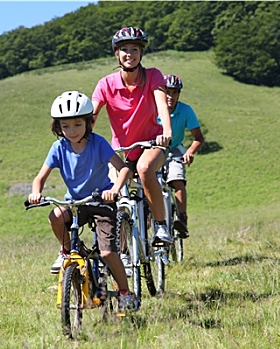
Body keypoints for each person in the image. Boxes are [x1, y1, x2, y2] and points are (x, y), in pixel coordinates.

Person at [28, 90, 133, 307]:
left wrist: (114, 189)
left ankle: (125, 292)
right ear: (58, 127)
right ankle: (67, 251)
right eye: (65, 126)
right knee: (56, 216)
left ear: (88, 123)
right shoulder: (58, 148)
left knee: (107, 252)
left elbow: (123, 169)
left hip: (102, 202)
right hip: (76, 204)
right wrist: (36, 192)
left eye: (77, 124)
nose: (72, 131)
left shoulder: (98, 143)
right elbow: (40, 177)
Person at [91, 27, 173, 248]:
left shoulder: (153, 76)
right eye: (124, 49)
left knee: (145, 169)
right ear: (116, 54)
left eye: (135, 49)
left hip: (151, 144)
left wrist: (167, 131)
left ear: (141, 53)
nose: (130, 54)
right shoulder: (105, 84)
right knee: (114, 196)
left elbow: (161, 103)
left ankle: (161, 225)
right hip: (121, 152)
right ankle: (122, 250)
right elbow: (92, 115)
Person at [158, 74, 204, 238]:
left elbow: (199, 138)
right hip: (154, 149)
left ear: (179, 94)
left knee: (177, 179)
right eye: (167, 92)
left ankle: (182, 218)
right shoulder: (152, 107)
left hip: (175, 149)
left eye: (174, 92)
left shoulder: (185, 110)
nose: (170, 96)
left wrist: (190, 151)